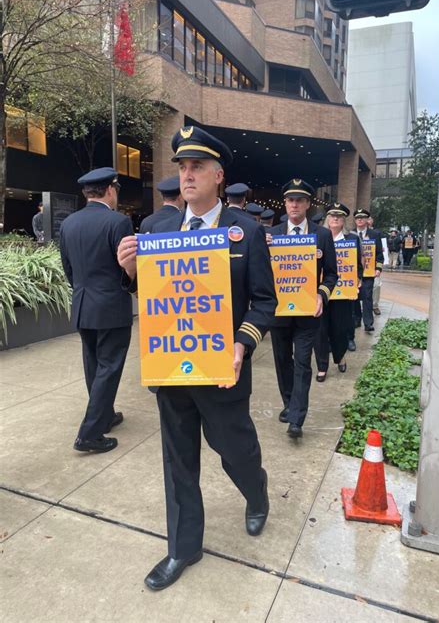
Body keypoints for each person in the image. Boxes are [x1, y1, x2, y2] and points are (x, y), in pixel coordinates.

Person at [117, 126, 277, 591]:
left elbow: (264, 300)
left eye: (197, 167)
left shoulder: (243, 229)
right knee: (178, 461)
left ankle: (256, 490)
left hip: (222, 370)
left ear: (218, 176)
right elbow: (154, 294)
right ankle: (183, 548)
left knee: (235, 451)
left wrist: (241, 344)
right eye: (183, 167)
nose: (187, 175)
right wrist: (130, 272)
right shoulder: (155, 228)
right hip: (172, 368)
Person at [59, 167, 134, 453]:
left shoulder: (69, 224)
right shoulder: (118, 222)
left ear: (86, 193)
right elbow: (125, 267)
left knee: (93, 364)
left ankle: (104, 415)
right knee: (109, 367)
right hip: (111, 306)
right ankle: (89, 433)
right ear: (111, 190)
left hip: (82, 303)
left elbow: (68, 268)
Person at [267, 179, 338, 439]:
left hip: (308, 313)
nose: (294, 204)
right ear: (285, 203)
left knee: (301, 363)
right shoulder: (272, 235)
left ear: (308, 204)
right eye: (290, 200)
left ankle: (297, 418)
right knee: (282, 361)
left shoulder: (321, 235)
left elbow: (331, 274)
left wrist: (321, 295)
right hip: (279, 311)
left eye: (299, 200)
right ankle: (289, 403)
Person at [314, 203, 363, 380]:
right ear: (327, 218)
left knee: (340, 328)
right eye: (332, 215)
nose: (335, 218)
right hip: (321, 292)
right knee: (320, 330)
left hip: (342, 292)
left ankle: (340, 356)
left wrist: (357, 279)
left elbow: (359, 265)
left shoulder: (353, 239)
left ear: (344, 220)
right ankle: (322, 366)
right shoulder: (318, 236)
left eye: (339, 216)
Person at [353, 208, 383, 332]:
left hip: (368, 272)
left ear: (367, 220)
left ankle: (368, 323)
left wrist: (378, 268)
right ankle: (356, 320)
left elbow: (379, 254)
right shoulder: (350, 234)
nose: (360, 220)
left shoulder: (375, 234)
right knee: (354, 297)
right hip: (353, 273)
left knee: (367, 296)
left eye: (362, 217)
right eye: (357, 218)